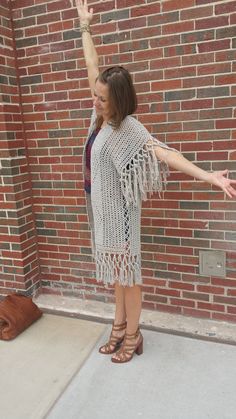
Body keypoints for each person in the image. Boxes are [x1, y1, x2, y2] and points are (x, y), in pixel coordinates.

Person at [75, 0, 236, 364]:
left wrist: (208, 176)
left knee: (129, 276)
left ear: (117, 99)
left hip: (123, 216)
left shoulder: (127, 128)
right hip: (103, 211)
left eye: (101, 97)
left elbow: (165, 154)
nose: (95, 99)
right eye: (95, 95)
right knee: (118, 274)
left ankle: (133, 334)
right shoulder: (100, 115)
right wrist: (85, 27)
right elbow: (92, 66)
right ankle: (117, 326)